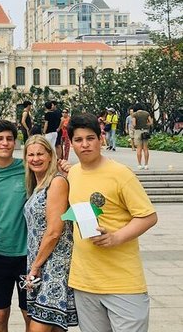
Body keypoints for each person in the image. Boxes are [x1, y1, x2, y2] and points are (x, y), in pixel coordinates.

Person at [66, 113, 157, 332]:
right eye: (78, 140)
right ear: (71, 143)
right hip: (84, 282)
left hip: (123, 283)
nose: (85, 145)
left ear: (101, 139)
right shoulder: (73, 173)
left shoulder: (120, 174)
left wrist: (116, 237)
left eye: (90, 138)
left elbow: (148, 216)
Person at [23, 135, 78, 331]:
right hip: (40, 263)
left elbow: (55, 231)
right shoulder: (38, 186)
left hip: (54, 266)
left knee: (37, 328)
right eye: (31, 154)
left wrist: (35, 267)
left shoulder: (56, 182)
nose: (35, 159)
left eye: (40, 154)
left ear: (50, 156)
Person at [0, 119, 29, 332]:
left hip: (28, 257)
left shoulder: (28, 170)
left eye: (9, 139)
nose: (5, 143)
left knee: (30, 314)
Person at [132, 103, 153, 170]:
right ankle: (146, 164)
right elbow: (151, 122)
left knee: (139, 149)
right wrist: (146, 125)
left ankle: (139, 164)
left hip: (138, 131)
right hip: (146, 131)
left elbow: (134, 124)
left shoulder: (134, 114)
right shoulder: (146, 113)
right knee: (145, 148)